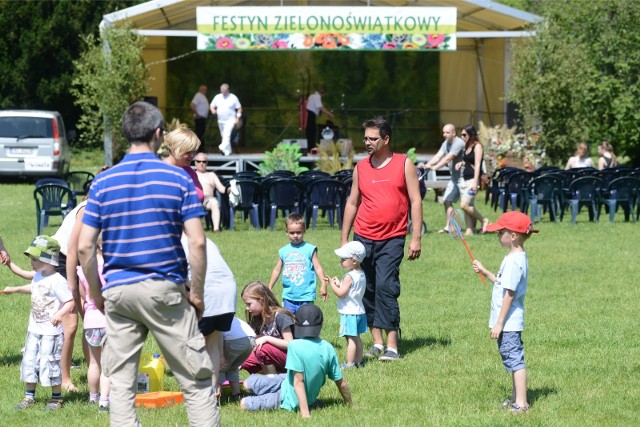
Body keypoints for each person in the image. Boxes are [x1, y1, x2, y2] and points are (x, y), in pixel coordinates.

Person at [77, 101, 218, 427]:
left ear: (127, 134)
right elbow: (197, 241)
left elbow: (85, 247)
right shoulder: (179, 180)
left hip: (119, 291)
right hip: (166, 289)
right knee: (195, 381)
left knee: (122, 388)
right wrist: (196, 294)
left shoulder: (103, 182)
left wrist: (97, 295)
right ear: (158, 135)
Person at [341, 116, 422, 362]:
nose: (367, 142)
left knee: (387, 286)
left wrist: (415, 237)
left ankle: (392, 346)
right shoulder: (361, 167)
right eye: (365, 138)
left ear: (386, 139)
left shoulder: (403, 163)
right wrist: (345, 238)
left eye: (373, 138)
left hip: (393, 237)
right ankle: (376, 342)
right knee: (366, 288)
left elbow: (415, 200)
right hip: (363, 236)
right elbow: (353, 202)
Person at [472, 211, 538, 415]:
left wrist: (499, 323)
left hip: (508, 323)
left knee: (515, 361)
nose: (497, 235)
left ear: (513, 236)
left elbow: (509, 293)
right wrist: (485, 272)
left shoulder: (513, 261)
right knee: (511, 359)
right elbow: (503, 283)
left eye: (500, 232)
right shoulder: (515, 257)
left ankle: (522, 404)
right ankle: (515, 398)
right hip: (508, 322)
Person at [240, 304, 352, 418]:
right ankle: (310, 401)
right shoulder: (328, 347)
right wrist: (350, 404)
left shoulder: (295, 346)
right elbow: (341, 382)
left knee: (244, 403)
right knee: (247, 383)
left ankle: (301, 402)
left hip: (289, 397)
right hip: (287, 380)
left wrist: (305, 414)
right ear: (321, 325)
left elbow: (299, 382)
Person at [3, 235, 74, 411]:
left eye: (34, 259)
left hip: (51, 332)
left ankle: (56, 399)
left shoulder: (58, 281)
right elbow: (33, 287)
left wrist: (59, 314)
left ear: (48, 260)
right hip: (34, 330)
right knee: (29, 362)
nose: (31, 263)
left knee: (50, 363)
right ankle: (29, 397)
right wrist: (16, 288)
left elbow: (70, 301)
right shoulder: (38, 276)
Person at [181, 234, 237, 399]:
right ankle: (211, 394)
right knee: (211, 343)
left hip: (208, 294)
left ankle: (198, 394)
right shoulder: (206, 239)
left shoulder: (174, 245)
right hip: (227, 293)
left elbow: (176, 281)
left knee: (193, 345)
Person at [268, 212, 328, 315]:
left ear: (304, 230)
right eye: (292, 233)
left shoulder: (310, 249)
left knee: (305, 322)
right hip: (288, 296)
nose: (295, 236)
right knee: (289, 322)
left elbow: (318, 267)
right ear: (286, 232)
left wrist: (323, 284)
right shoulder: (283, 251)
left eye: (299, 232)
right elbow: (277, 270)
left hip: (306, 295)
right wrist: (270, 287)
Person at [77, 235, 110, 411]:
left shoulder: (83, 268)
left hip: (90, 321)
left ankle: (92, 397)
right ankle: (105, 401)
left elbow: (83, 294)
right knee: (108, 365)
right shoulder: (111, 268)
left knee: (94, 363)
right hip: (109, 321)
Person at [418, 123, 465, 233]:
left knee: (467, 206)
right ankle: (450, 227)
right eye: (443, 132)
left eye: (447, 132)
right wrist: (427, 165)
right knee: (447, 200)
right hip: (455, 178)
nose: (444, 134)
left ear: (454, 133)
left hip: (464, 178)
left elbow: (447, 159)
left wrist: (434, 168)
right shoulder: (446, 143)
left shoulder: (459, 143)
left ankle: (481, 223)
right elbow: (438, 156)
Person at [240, 281, 294, 374]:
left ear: (261, 300)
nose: (247, 308)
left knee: (263, 349)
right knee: (245, 360)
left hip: (292, 360)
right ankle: (278, 377)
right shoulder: (258, 319)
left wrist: (267, 338)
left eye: (249, 304)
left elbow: (290, 344)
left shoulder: (281, 317)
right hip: (276, 359)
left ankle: (273, 382)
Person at [328, 241, 367, 368]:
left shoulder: (349, 276)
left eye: (343, 259)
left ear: (354, 260)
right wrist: (340, 283)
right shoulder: (361, 274)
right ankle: (359, 361)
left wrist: (332, 284)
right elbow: (351, 291)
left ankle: (349, 364)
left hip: (349, 312)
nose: (341, 261)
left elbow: (341, 294)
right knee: (357, 338)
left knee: (350, 339)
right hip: (359, 311)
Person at [455, 124, 489, 235]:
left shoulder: (477, 146)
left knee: (464, 204)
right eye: (461, 135)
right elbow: (470, 161)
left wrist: (475, 182)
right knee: (468, 206)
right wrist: (462, 162)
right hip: (464, 179)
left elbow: (478, 164)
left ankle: (484, 220)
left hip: (472, 180)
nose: (462, 137)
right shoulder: (467, 146)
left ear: (471, 134)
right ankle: (470, 229)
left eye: (464, 135)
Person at [219, 317, 256, 400]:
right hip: (251, 339)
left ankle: (216, 396)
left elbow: (218, 336)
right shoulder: (227, 315)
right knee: (233, 367)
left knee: (220, 367)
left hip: (235, 339)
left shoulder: (209, 318)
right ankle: (236, 394)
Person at [163, 127, 204, 202]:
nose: (192, 156)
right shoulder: (162, 171)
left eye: (194, 151)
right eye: (188, 152)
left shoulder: (190, 171)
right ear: (175, 149)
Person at [194, 152, 227, 232]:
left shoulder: (211, 175)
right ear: (195, 162)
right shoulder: (192, 174)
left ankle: (216, 229)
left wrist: (230, 189)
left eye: (204, 161)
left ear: (207, 163)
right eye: (199, 161)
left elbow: (222, 189)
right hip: (195, 199)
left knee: (215, 202)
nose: (201, 163)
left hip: (208, 199)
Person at [210, 83, 242, 156]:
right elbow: (212, 105)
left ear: (228, 90)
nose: (223, 92)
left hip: (230, 120)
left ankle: (221, 147)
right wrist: (213, 110)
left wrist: (238, 117)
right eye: (222, 90)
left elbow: (239, 108)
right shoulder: (217, 97)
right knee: (224, 136)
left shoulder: (233, 97)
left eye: (224, 90)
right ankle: (227, 152)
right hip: (220, 120)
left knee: (226, 135)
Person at [305, 87, 335, 153]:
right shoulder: (317, 96)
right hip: (311, 115)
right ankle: (311, 148)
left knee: (309, 132)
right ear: (322, 93)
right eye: (324, 94)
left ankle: (310, 148)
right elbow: (320, 107)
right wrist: (329, 114)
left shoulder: (311, 96)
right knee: (312, 132)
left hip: (308, 115)